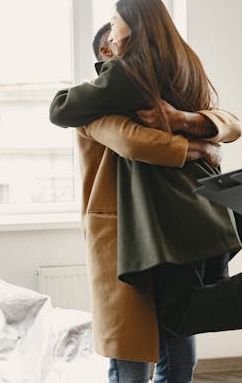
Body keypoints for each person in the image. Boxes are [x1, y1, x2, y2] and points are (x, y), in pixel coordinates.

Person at [50, 0, 242, 382]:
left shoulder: (116, 88)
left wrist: (186, 124)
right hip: (200, 215)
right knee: (183, 326)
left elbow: (87, 120)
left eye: (116, 23)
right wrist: (199, 143)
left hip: (152, 231)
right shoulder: (175, 76)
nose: (115, 35)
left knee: (150, 341)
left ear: (119, 43)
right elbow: (223, 124)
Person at [91, 22, 199, 383]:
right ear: (108, 52)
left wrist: (188, 120)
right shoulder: (92, 104)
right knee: (131, 361)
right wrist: (199, 146)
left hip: (168, 235)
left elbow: (229, 121)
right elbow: (136, 143)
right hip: (122, 238)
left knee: (180, 358)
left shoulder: (162, 104)